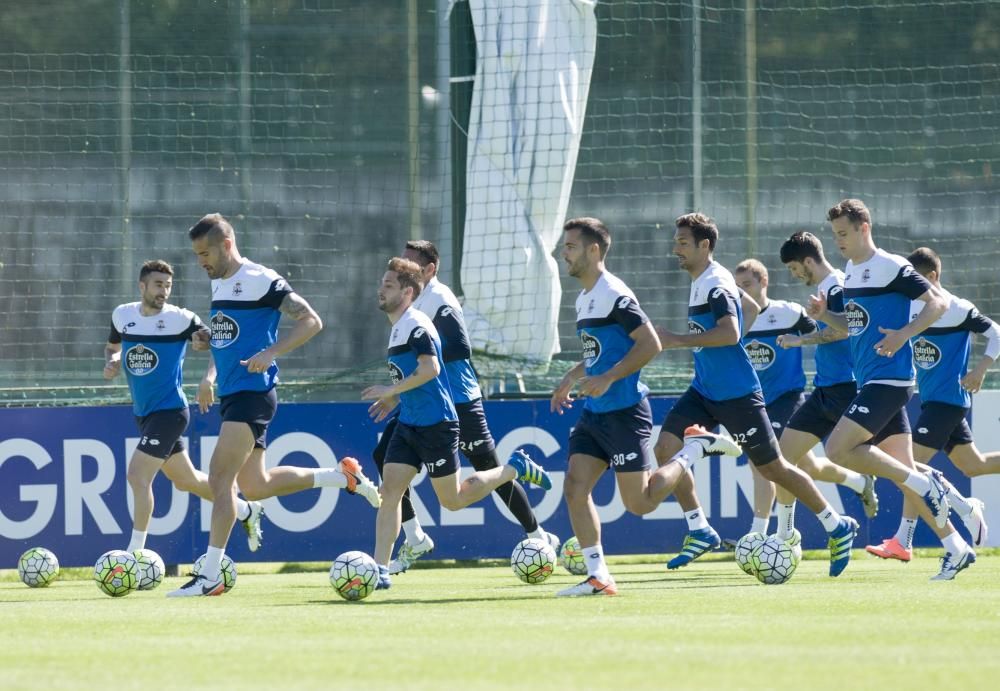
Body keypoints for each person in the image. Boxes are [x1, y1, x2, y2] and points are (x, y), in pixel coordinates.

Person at [169, 214, 381, 597]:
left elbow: (311, 320)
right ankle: (341, 477)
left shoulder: (260, 280)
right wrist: (208, 352)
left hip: (253, 393)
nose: (200, 261)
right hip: (236, 392)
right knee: (256, 485)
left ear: (227, 245)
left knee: (220, 478)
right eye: (196, 254)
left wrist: (271, 352)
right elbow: (228, 337)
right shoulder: (220, 282)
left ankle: (211, 575)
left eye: (204, 253)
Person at [653, 213, 860, 577]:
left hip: (737, 394)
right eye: (676, 242)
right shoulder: (706, 279)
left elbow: (731, 333)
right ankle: (699, 528)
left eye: (683, 243)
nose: (675, 249)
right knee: (665, 448)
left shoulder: (715, 283)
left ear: (705, 246)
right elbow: (749, 308)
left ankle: (835, 525)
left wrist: (677, 340)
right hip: (704, 389)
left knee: (775, 467)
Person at [551, 217, 744, 597]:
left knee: (639, 504)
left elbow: (650, 343)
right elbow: (601, 353)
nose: (564, 253)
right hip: (595, 413)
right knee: (574, 487)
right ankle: (599, 576)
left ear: (594, 251)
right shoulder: (583, 297)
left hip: (625, 411)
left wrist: (607, 379)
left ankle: (693, 450)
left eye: (571, 246)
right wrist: (572, 377)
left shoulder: (614, 294)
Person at [364, 257, 552, 591]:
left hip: (438, 425)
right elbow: (418, 377)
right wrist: (397, 398)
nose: (381, 289)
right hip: (410, 423)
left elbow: (431, 369)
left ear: (407, 292)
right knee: (390, 491)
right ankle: (379, 569)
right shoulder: (399, 325)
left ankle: (513, 468)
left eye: (388, 285)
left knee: (451, 501)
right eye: (382, 283)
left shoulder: (417, 324)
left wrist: (391, 389)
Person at [815, 199, 972, 580]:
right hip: (870, 381)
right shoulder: (851, 271)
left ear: (864, 228)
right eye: (834, 234)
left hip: (890, 381)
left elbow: (938, 302)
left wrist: (904, 335)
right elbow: (852, 326)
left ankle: (924, 481)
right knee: (901, 467)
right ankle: (956, 546)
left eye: (843, 234)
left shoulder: (892, 266)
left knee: (837, 449)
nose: (838, 241)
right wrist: (824, 315)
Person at [105, 259, 263, 555]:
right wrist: (112, 361)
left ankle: (134, 555)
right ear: (142, 286)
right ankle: (245, 510)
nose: (163, 291)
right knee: (185, 480)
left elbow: (219, 343)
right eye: (157, 285)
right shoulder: (122, 315)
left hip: (170, 412)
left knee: (137, 476)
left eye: (167, 286)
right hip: (144, 413)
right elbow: (113, 346)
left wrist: (208, 379)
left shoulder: (182, 319)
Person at [720, 257, 875, 546]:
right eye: (737, 287)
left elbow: (833, 332)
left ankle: (758, 534)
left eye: (747, 284)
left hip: (789, 397)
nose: (743, 291)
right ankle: (859, 482)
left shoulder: (789, 313)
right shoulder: (737, 322)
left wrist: (806, 341)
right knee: (808, 467)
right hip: (756, 401)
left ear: (764, 282)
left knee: (763, 460)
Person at [866, 246, 996, 563]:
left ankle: (903, 540)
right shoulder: (915, 311)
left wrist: (980, 369)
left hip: (949, 402)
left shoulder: (958, 308)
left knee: (908, 468)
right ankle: (967, 507)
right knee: (973, 464)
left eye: (917, 279)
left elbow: (996, 334)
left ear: (933, 276)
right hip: (932, 403)